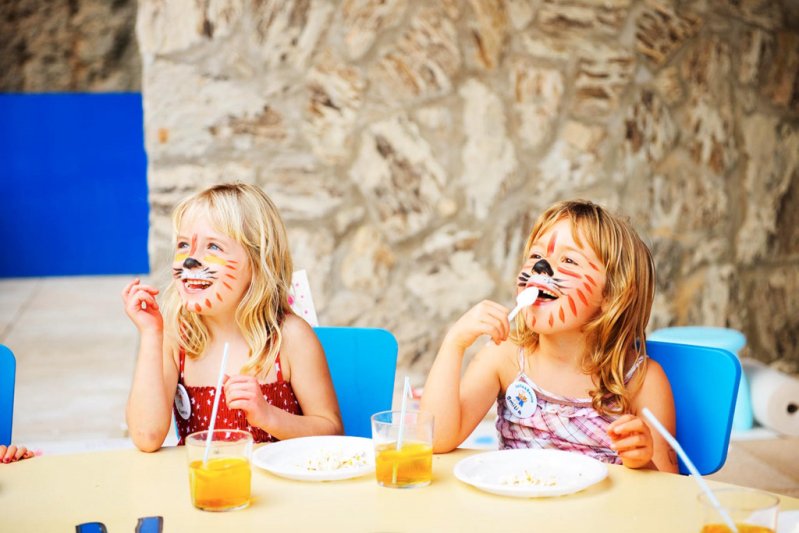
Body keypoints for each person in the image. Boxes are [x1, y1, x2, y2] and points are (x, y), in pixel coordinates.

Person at [421, 200, 677, 472]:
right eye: (535, 257)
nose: (541, 267)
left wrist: (642, 461)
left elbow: (666, 492)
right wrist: (454, 343)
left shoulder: (641, 381)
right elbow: (435, 440)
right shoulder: (504, 358)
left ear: (613, 294)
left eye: (568, 260)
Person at [123, 183, 342, 452]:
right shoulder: (177, 337)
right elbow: (147, 437)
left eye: (213, 247)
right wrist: (151, 334)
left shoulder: (289, 338)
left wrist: (268, 416)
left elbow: (332, 432)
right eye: (183, 245)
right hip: (209, 488)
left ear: (258, 262)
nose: (191, 261)